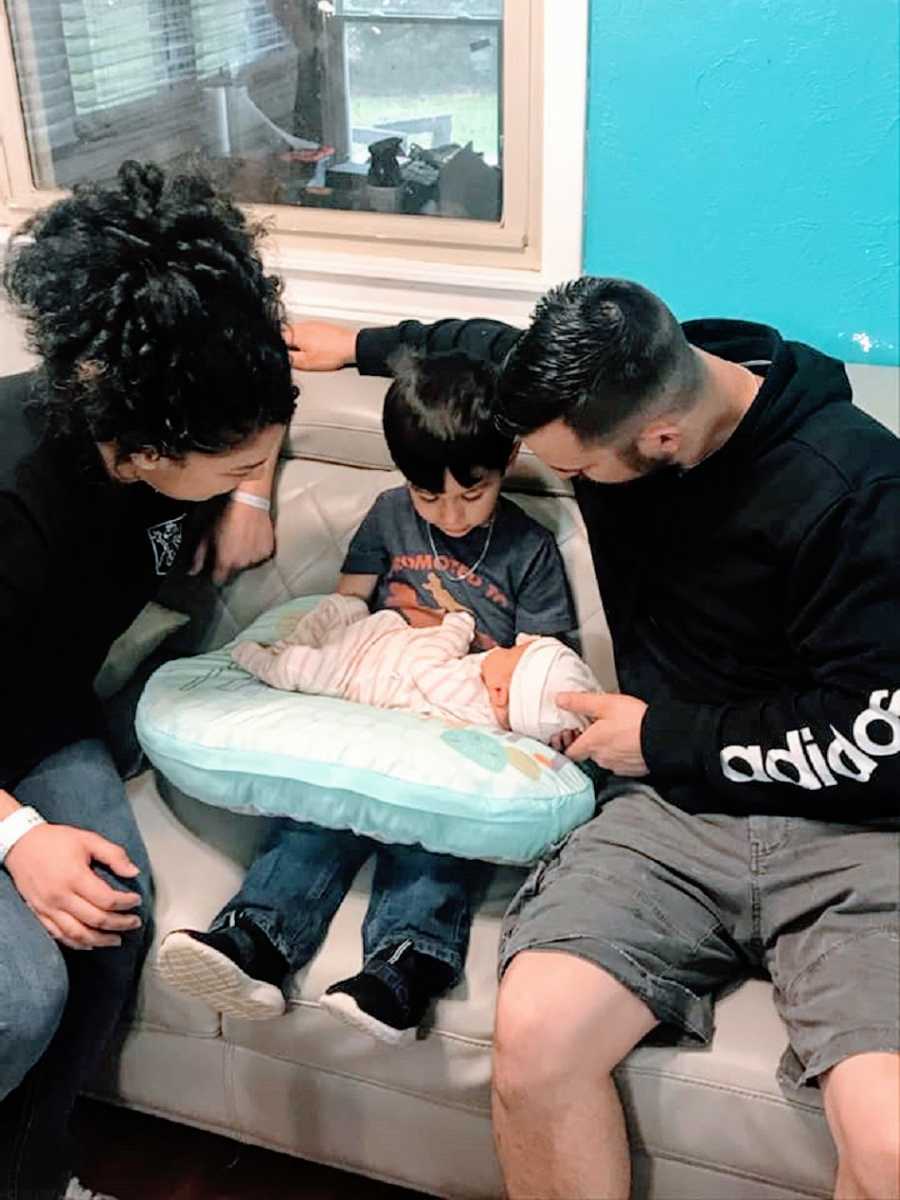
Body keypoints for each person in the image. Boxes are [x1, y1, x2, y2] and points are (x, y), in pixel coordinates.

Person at [286, 279, 900, 1199]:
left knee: (889, 1144)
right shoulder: (601, 381)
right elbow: (478, 341)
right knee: (533, 1041)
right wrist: (362, 341)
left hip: (853, 832)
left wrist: (662, 737)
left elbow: (876, 739)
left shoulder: (856, 486)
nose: (566, 482)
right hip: (667, 817)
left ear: (661, 442)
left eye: (579, 472)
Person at [0, 160, 297, 1200]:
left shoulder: (185, 392)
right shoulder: (18, 494)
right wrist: (18, 840)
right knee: (19, 997)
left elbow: (269, 384)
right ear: (134, 451)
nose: (240, 473)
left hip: (36, 721)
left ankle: (35, 1178)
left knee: (111, 917)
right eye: (222, 467)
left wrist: (247, 489)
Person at [155, 349, 579, 1046]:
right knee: (316, 814)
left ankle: (403, 971)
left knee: (434, 837)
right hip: (368, 698)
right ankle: (253, 940)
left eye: (473, 495)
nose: (451, 515)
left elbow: (539, 662)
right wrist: (303, 660)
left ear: (506, 463)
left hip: (454, 720)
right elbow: (345, 607)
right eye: (429, 497)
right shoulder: (387, 517)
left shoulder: (528, 549)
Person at [229, 596, 597, 735]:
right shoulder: (509, 709)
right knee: (349, 609)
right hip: (382, 645)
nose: (514, 642)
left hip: (351, 674)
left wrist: (457, 625)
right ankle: (298, 642)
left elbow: (426, 667)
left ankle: (253, 654)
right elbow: (557, 710)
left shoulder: (471, 699)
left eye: (518, 651)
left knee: (296, 667)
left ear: (500, 692)